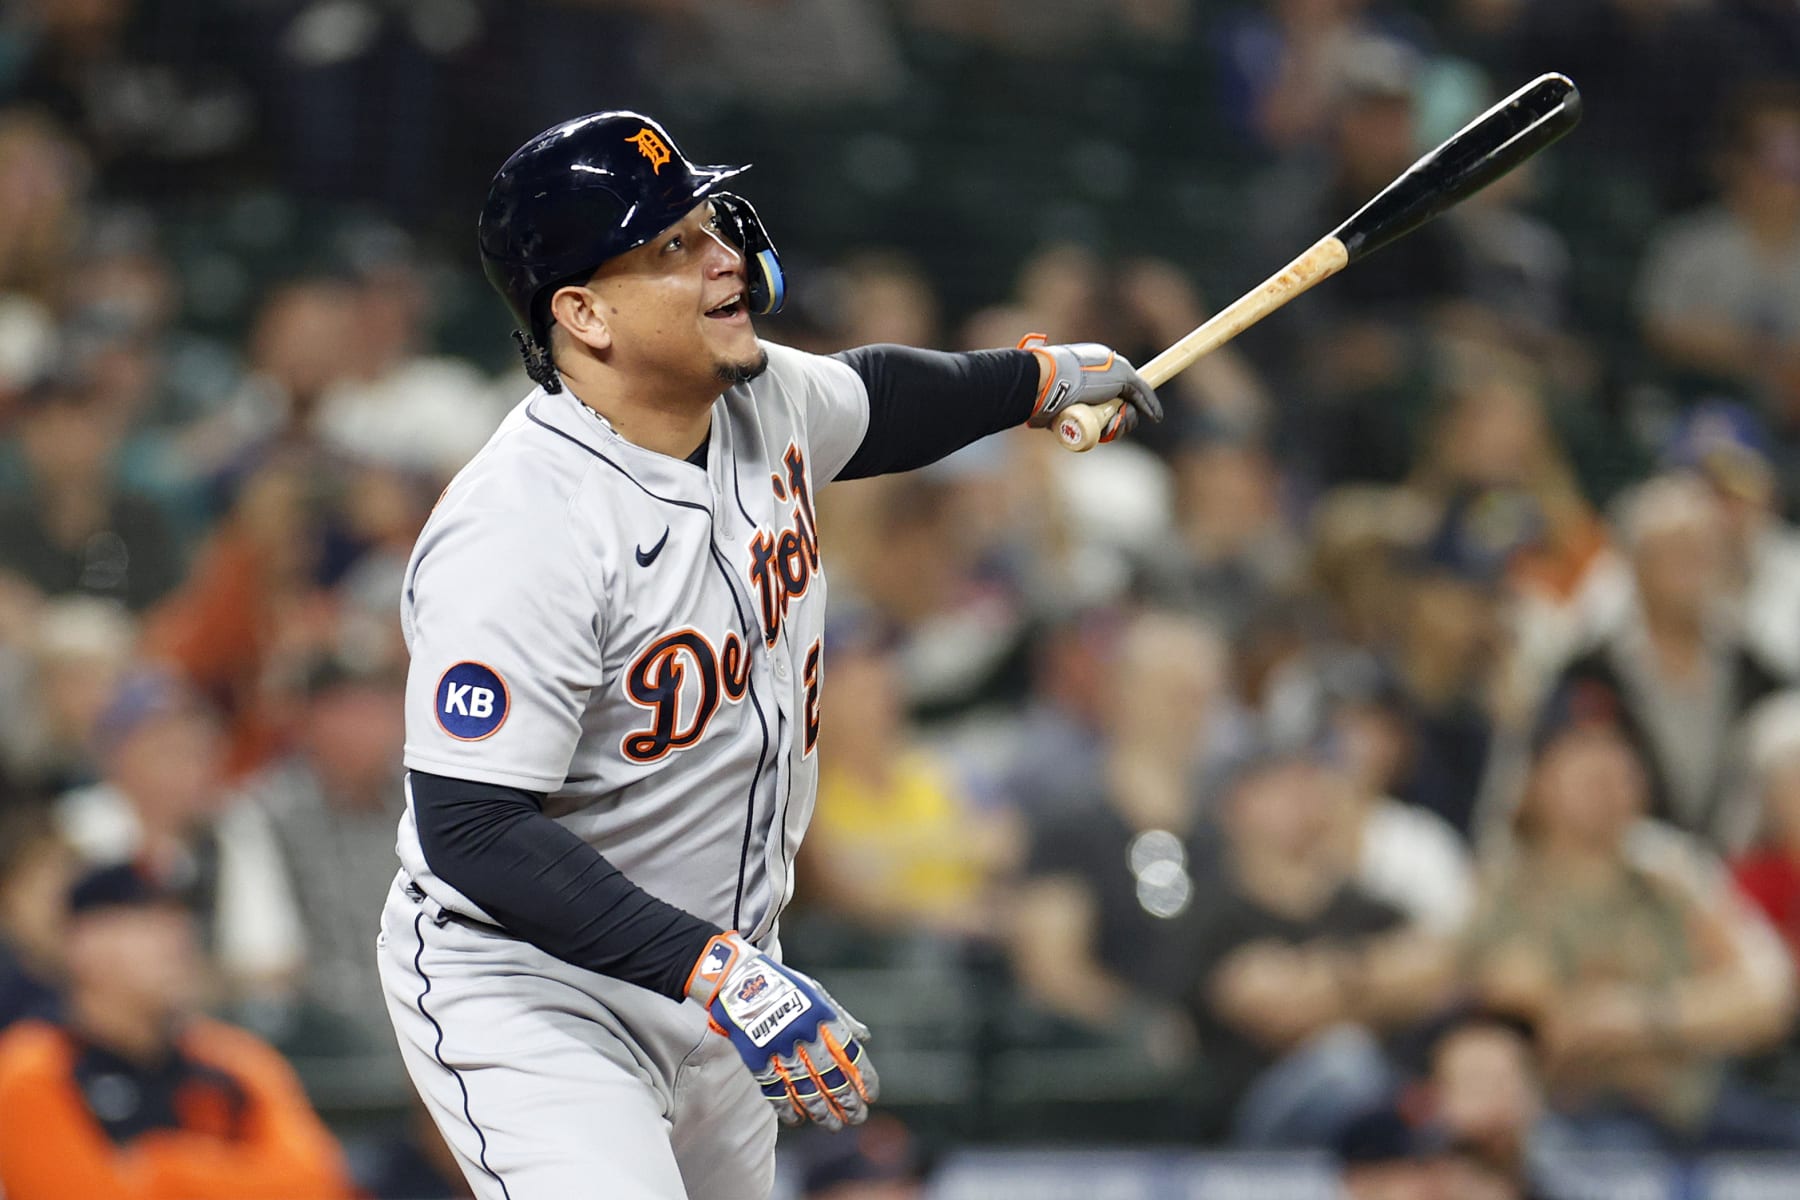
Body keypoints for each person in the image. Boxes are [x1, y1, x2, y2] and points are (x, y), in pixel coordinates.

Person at [375, 110, 1162, 1200]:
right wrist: (723, 973)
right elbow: (474, 827)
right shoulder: (522, 528)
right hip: (535, 985)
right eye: (672, 250)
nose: (724, 260)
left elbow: (882, 398)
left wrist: (1038, 379)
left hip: (720, 972)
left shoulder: (757, 398)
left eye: (713, 227)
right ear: (583, 313)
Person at [0, 861, 354, 1200]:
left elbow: (320, 1184)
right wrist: (238, 1177)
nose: (177, 940)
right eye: (149, 922)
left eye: (180, 919)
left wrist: (162, 1169)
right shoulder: (31, 1067)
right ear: (85, 944)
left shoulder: (235, 1059)